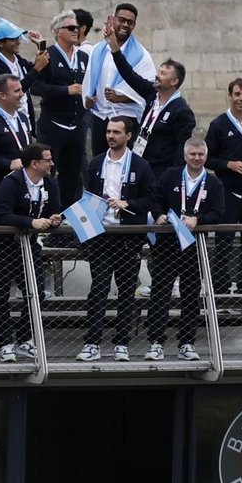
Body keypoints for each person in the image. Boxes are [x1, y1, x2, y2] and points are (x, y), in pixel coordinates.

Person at [77, 117, 155, 362]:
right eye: (109, 131)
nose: (111, 136)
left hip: (127, 237)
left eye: (116, 132)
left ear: (128, 136)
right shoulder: (97, 162)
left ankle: (122, 342)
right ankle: (92, 342)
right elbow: (89, 194)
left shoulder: (141, 166)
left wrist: (127, 203)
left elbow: (151, 200)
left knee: (126, 290)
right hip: (101, 236)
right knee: (98, 288)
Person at [144, 137, 225, 361]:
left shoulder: (214, 183)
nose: (197, 158)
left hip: (194, 245)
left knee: (191, 296)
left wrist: (198, 218)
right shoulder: (170, 175)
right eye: (193, 154)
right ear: (185, 155)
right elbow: (155, 199)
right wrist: (159, 214)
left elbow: (218, 213)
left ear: (206, 157)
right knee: (160, 293)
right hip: (167, 245)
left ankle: (187, 343)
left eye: (201, 155)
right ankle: (156, 342)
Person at [0, 142, 60, 362]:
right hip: (1, 246)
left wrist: (55, 218)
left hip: (29, 244)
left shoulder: (50, 183)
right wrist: (31, 222)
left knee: (37, 291)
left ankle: (25, 339)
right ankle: (5, 342)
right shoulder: (11, 183)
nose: (51, 163)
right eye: (47, 160)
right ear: (34, 163)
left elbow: (55, 207)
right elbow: (2, 214)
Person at [206, 79, 242, 301]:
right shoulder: (218, 125)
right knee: (224, 242)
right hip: (228, 193)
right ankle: (220, 291)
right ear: (230, 96)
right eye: (237, 94)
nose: (241, 98)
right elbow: (208, 159)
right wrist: (228, 165)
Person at [28, 10, 90, 214]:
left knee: (72, 177)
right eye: (70, 27)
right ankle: (47, 217)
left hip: (76, 124)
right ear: (58, 32)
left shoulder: (83, 57)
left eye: (77, 27)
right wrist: (66, 90)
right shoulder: (48, 55)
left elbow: (88, 85)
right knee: (49, 173)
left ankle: (67, 222)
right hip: (53, 124)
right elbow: (35, 87)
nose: (75, 31)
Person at [84, 4, 154, 158]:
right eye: (121, 20)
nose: (125, 25)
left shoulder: (142, 55)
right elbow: (89, 81)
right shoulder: (97, 50)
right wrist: (88, 98)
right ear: (113, 19)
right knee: (99, 161)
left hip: (126, 116)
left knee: (125, 163)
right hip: (101, 115)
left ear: (134, 25)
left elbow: (149, 92)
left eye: (130, 22)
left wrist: (120, 98)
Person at [115, 58, 197, 176]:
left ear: (174, 81)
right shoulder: (152, 94)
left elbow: (182, 147)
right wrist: (114, 49)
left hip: (160, 171)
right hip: (139, 163)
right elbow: (130, 76)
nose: (157, 76)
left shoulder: (182, 110)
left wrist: (173, 176)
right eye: (159, 72)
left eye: (163, 74)